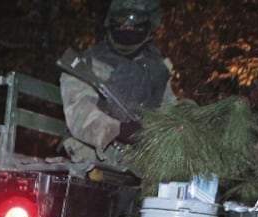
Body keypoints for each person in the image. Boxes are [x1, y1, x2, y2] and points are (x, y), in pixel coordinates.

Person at [59, 0, 175, 167]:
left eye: (135, 22)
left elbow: (170, 112)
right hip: (94, 159)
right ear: (110, 24)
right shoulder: (86, 65)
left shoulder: (156, 71)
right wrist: (118, 129)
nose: (128, 27)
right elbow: (79, 113)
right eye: (121, 22)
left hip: (142, 163)